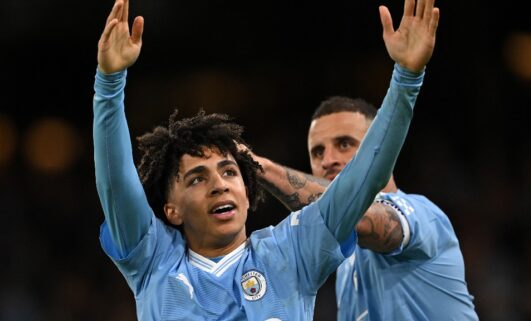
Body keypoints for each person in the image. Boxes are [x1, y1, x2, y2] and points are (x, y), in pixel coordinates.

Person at [93, 0, 437, 320]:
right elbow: (116, 184)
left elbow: (364, 178)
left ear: (246, 191)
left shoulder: (293, 252)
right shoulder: (153, 259)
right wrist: (109, 86)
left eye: (229, 172)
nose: (219, 185)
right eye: (197, 178)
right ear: (172, 209)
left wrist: (406, 78)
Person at [248, 9, 478, 321]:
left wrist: (259, 166)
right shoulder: (344, 263)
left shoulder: (423, 217)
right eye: (317, 152)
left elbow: (357, 218)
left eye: (345, 144)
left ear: (379, 148)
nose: (328, 160)